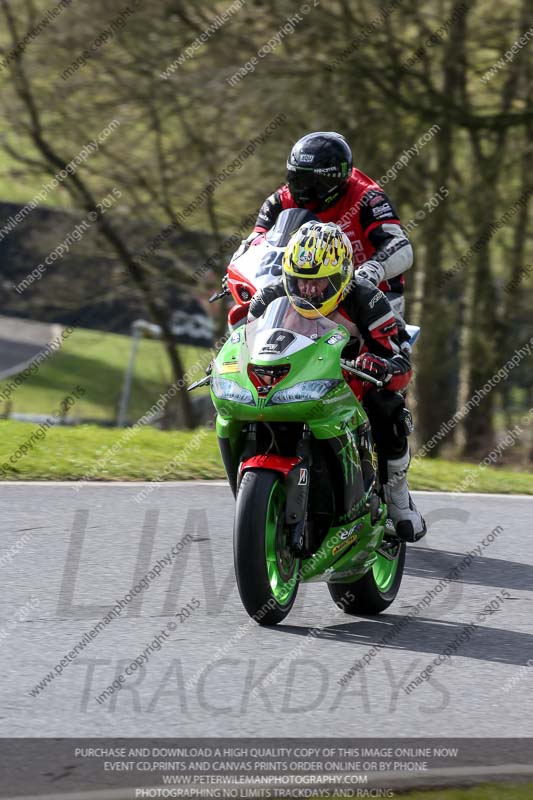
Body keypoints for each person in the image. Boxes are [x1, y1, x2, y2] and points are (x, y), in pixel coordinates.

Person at [248, 220, 426, 543]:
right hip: (297, 381)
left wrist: (381, 368)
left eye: (319, 283)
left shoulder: (368, 301)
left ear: (342, 277)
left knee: (388, 407)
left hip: (350, 390)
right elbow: (245, 341)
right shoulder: (272, 298)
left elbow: (402, 365)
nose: (309, 291)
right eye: (300, 281)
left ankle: (398, 498)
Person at [234, 130, 413, 319]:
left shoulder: (368, 198)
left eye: (313, 183)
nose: (303, 191)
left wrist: (374, 269)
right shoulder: (280, 201)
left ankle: (397, 347)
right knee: (242, 319)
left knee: (381, 339)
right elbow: (255, 244)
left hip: (368, 294)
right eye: (296, 179)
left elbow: (401, 246)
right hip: (304, 294)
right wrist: (238, 269)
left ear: (337, 178)